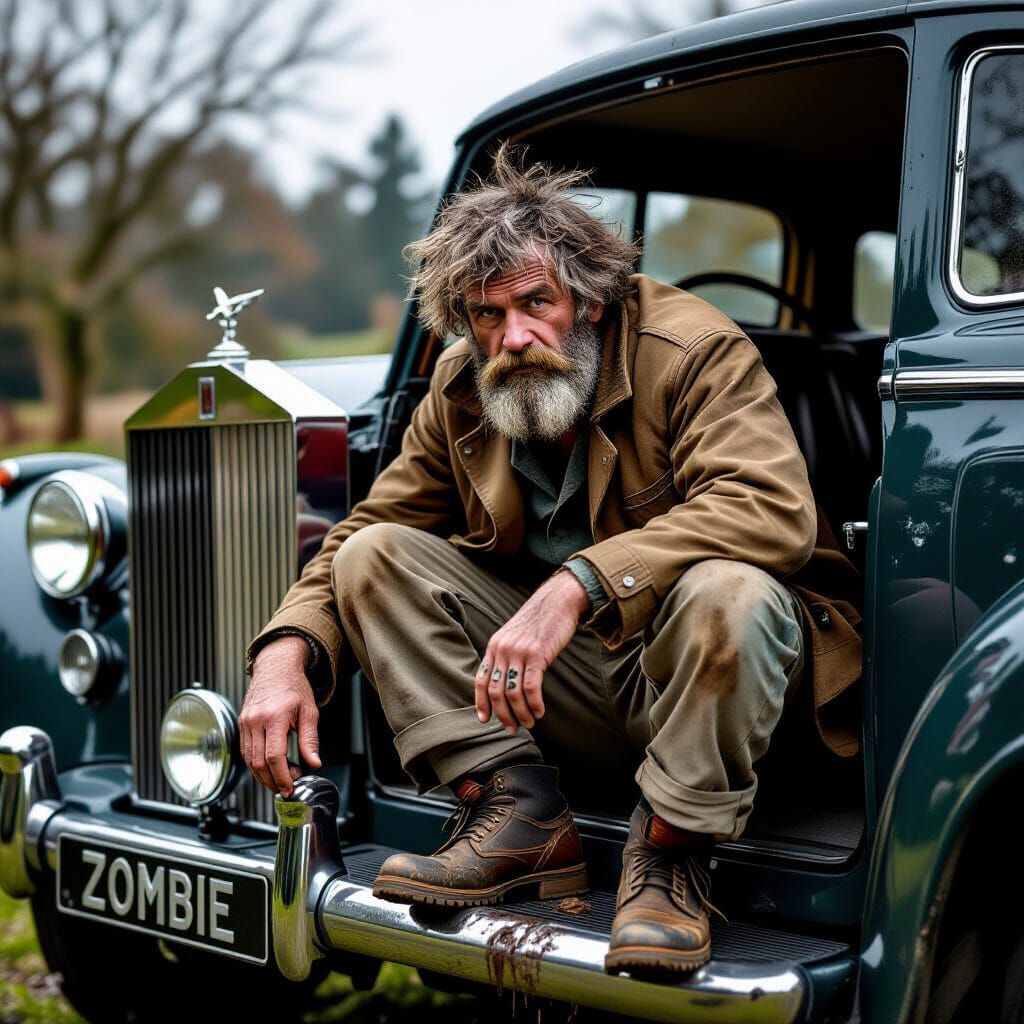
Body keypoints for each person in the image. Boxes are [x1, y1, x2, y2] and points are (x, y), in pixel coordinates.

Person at [241, 145, 863, 976]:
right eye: (488, 315)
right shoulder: (463, 385)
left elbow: (772, 509)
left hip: (731, 685)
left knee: (733, 592)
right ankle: (518, 818)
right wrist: (285, 650)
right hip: (565, 690)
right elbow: (368, 529)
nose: (516, 336)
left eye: (537, 302)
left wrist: (581, 580)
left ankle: (673, 856)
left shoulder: (693, 349)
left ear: (593, 299)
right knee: (376, 557)